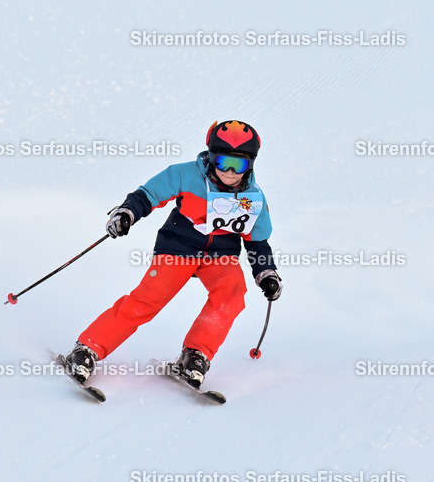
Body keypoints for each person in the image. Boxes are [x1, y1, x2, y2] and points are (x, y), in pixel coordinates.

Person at [64, 120, 282, 388]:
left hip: (220, 256)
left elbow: (257, 241)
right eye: (223, 162)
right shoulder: (186, 175)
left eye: (239, 165)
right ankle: (88, 348)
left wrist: (266, 273)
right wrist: (127, 213)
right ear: (211, 156)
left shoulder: (252, 197)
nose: (230, 172)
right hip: (178, 248)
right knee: (147, 300)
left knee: (232, 292)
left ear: (251, 165)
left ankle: (195, 355)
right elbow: (148, 195)